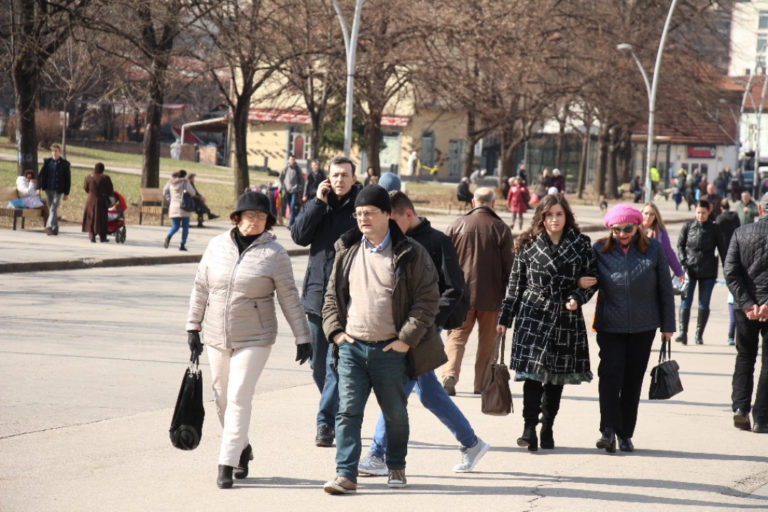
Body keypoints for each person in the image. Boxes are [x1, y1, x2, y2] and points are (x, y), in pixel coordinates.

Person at [357, 191, 488, 476]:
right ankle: (471, 443)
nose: (385, 227)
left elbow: (454, 289)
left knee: (397, 388)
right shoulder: (391, 242)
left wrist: (429, 322)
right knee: (429, 393)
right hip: (400, 327)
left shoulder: (437, 242)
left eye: (389, 220)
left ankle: (378, 454)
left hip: (422, 329)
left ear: (407, 214)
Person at [186, 190, 311, 488]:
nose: (255, 222)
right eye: (249, 216)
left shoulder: (275, 254)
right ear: (237, 218)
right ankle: (242, 447)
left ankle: (226, 462)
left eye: (261, 217)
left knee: (239, 396)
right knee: (221, 398)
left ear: (268, 222)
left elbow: (289, 297)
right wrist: (193, 327)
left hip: (256, 336)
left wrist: (302, 336)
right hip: (217, 335)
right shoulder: (217, 246)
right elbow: (201, 287)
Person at [321, 185, 441, 494]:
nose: (363, 218)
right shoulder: (346, 249)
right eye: (359, 213)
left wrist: (405, 339)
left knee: (395, 414)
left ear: (387, 215)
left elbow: (428, 299)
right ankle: (346, 474)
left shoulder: (411, 252)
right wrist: (336, 333)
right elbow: (332, 297)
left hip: (390, 349)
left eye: (370, 213)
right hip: (352, 347)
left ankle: (396, 465)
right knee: (347, 412)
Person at [497, 194, 597, 452]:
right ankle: (529, 429)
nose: (554, 219)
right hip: (532, 315)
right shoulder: (527, 243)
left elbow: (592, 279)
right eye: (549, 214)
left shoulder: (581, 244)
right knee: (531, 377)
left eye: (559, 214)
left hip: (565, 318)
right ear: (542, 217)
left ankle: (548, 426)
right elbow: (515, 285)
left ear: (567, 216)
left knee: (555, 379)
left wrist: (577, 295)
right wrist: (505, 319)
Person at [291, 156, 362, 448]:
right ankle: (335, 408)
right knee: (318, 366)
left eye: (345, 175)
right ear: (327, 178)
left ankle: (325, 423)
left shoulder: (362, 208)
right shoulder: (319, 204)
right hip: (317, 296)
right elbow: (298, 236)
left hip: (350, 298)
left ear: (354, 178)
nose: (340, 180)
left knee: (336, 366)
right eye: (335, 175)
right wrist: (317, 204)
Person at [592, 204, 675, 453]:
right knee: (610, 375)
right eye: (616, 230)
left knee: (632, 380)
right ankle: (607, 430)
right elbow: (587, 280)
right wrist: (577, 291)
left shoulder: (654, 250)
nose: (622, 234)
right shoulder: (600, 250)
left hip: (643, 326)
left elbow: (665, 290)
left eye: (627, 228)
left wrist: (668, 326)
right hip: (610, 325)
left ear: (638, 225)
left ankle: (625, 433)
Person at [443, 187, 514, 395]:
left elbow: (443, 261)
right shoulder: (501, 228)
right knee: (487, 341)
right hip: (492, 296)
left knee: (456, 336)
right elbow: (510, 266)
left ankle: (449, 374)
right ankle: (481, 384)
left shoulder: (456, 225)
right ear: (493, 204)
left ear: (473, 203)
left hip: (460, 295)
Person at [725, 192, 768, 434]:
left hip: (746, 308)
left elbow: (731, 271)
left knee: (744, 357)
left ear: (760, 210)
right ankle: (762, 417)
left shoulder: (741, 233)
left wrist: (747, 302)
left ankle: (740, 409)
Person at [676, 200, 728, 345]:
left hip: (708, 271)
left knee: (703, 304)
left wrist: (728, 270)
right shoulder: (688, 226)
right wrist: (683, 261)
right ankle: (683, 333)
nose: (700, 215)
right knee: (686, 302)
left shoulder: (714, 229)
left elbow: (723, 250)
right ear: (695, 212)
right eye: (698, 212)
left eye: (703, 213)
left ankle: (699, 334)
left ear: (709, 212)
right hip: (689, 270)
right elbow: (680, 245)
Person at [716, 199, 741, 346]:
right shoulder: (735, 216)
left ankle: (731, 336)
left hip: (724, 247)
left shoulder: (719, 218)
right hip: (735, 244)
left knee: (729, 270)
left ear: (721, 207)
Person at [641, 203, 684, 280]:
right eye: (646, 213)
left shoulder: (660, 232)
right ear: (641, 213)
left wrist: (679, 271)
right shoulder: (633, 230)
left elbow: (668, 252)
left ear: (655, 216)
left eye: (652, 214)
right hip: (637, 271)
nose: (648, 217)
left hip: (654, 272)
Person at [38, 144, 71, 236]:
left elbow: (68, 179)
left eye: (56, 151)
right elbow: (41, 176)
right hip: (48, 188)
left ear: (59, 152)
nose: (54, 153)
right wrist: (39, 187)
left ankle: (48, 226)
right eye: (53, 151)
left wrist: (66, 193)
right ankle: (55, 228)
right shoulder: (47, 162)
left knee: (53, 208)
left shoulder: (65, 164)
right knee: (52, 209)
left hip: (58, 190)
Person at [163, 170, 196, 251]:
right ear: (184, 176)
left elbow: (165, 192)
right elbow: (193, 193)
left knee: (175, 226)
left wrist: (169, 200)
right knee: (185, 227)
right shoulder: (185, 183)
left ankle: (169, 236)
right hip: (184, 207)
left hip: (173, 206)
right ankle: (182, 244)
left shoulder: (171, 183)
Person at [81, 162, 114, 243]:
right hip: (101, 200)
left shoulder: (88, 177)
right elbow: (110, 190)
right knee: (102, 218)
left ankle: (92, 235)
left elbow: (85, 188)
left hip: (90, 200)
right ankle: (103, 237)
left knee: (91, 217)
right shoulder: (106, 178)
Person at [279, 154, 305, 227]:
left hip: (295, 190)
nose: (291, 161)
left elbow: (301, 180)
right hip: (287, 190)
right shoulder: (286, 168)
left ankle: (290, 224)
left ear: (294, 160)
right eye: (290, 159)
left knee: (293, 205)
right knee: (290, 206)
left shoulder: (297, 168)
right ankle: (292, 220)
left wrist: (300, 188)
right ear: (289, 160)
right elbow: (281, 178)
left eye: (293, 160)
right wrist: (281, 187)